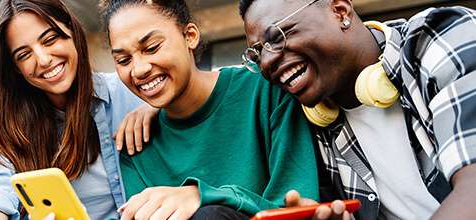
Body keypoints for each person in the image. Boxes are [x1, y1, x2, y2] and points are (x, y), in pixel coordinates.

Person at [240, 0, 476, 219]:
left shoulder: (441, 36)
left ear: (340, 11)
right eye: (257, 54)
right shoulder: (315, 123)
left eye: (278, 36)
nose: (267, 62)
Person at [99, 0, 320, 219]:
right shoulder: (136, 144)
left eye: (152, 48)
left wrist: (204, 196)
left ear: (190, 36)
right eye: (123, 59)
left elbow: (297, 206)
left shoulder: (265, 90)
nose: (139, 70)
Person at [0, 0, 152, 219]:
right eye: (23, 55)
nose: (43, 60)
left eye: (50, 39)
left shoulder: (130, 94)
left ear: (72, 32)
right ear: (16, 69)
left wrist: (158, 108)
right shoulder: (6, 120)